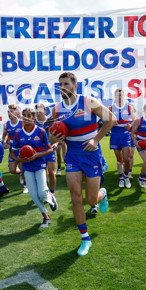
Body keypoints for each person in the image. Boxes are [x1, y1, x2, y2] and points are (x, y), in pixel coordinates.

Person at [49, 72, 117, 256]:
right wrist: (54, 139)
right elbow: (54, 133)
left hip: (92, 154)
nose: (62, 87)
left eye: (66, 83)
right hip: (72, 156)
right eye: (60, 84)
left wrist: (96, 140)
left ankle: (102, 194)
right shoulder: (56, 109)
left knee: (90, 200)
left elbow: (111, 118)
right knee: (76, 197)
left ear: (74, 86)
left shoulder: (88, 102)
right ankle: (85, 238)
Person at [12, 108, 58, 227]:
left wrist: (36, 155)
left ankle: (51, 197)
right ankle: (46, 217)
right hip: (27, 167)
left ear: (33, 117)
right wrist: (19, 159)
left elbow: (50, 149)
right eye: (24, 115)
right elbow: (12, 153)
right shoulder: (18, 133)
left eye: (29, 116)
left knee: (42, 193)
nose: (27, 118)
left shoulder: (41, 131)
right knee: (33, 195)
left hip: (40, 165)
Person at [109, 88, 135, 189]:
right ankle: (121, 178)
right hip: (115, 134)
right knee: (119, 160)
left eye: (121, 95)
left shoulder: (129, 107)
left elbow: (134, 120)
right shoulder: (110, 108)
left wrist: (131, 125)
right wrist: (111, 123)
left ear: (124, 96)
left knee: (127, 159)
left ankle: (126, 177)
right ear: (115, 96)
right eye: (118, 95)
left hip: (125, 134)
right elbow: (107, 121)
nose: (119, 97)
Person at [2, 104, 27, 193]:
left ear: (16, 113)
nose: (9, 113)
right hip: (12, 149)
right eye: (8, 112)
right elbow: (5, 135)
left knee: (22, 167)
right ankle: (21, 173)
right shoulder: (6, 124)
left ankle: (25, 186)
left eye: (11, 111)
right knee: (12, 170)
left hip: (21, 148)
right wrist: (4, 142)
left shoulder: (22, 123)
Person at [34, 102, 58, 197]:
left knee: (52, 172)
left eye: (40, 112)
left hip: (50, 149)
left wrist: (56, 143)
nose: (38, 114)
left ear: (45, 111)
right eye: (36, 112)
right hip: (39, 151)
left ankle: (52, 193)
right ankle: (44, 190)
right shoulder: (34, 123)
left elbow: (57, 134)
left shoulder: (51, 121)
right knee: (42, 174)